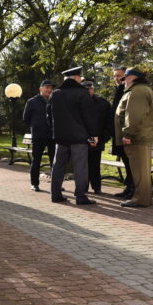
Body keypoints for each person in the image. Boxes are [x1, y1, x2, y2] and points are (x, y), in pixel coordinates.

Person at [47, 67, 99, 205]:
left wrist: (55, 130)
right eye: (80, 78)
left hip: (60, 137)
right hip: (79, 137)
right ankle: (81, 196)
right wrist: (93, 135)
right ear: (76, 78)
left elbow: (49, 116)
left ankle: (55, 194)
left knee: (58, 165)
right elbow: (89, 117)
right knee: (80, 167)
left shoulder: (55, 94)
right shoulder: (82, 93)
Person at [115, 68, 153, 208]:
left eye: (125, 78)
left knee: (139, 171)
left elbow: (134, 115)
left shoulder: (137, 91)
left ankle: (141, 199)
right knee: (142, 171)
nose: (123, 81)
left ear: (132, 78)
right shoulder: (144, 89)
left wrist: (128, 134)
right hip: (142, 136)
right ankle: (144, 198)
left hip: (136, 137)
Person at [23, 80, 56, 192]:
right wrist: (35, 126)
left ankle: (56, 185)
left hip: (52, 135)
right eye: (46, 87)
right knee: (36, 160)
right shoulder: (32, 101)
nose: (49, 90)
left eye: (51, 88)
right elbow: (26, 118)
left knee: (55, 162)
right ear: (40, 89)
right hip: (38, 136)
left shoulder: (55, 101)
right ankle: (34, 184)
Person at [109, 67, 136, 199]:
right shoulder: (119, 90)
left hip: (126, 135)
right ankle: (129, 187)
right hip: (118, 134)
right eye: (114, 76)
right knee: (126, 162)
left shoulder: (129, 91)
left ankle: (133, 188)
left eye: (119, 76)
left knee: (131, 163)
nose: (117, 79)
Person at [83, 81, 113, 195]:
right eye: (86, 89)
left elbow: (108, 122)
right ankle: (83, 187)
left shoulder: (102, 103)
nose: (88, 91)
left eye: (90, 89)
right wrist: (89, 139)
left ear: (93, 89)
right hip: (83, 140)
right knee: (83, 166)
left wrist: (103, 138)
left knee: (95, 166)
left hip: (98, 140)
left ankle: (97, 187)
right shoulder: (78, 103)